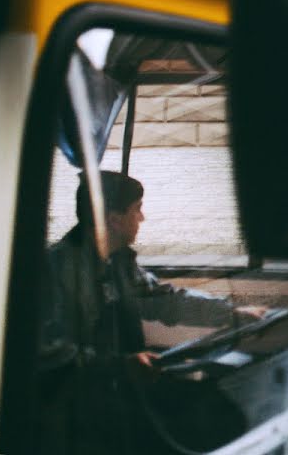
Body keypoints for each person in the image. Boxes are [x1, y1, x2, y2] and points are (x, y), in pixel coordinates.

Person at [39, 171, 260, 453]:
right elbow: (51, 355)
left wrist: (232, 314)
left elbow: (166, 300)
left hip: (115, 390)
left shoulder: (117, 263)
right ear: (114, 220)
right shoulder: (55, 269)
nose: (142, 218)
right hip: (76, 409)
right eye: (137, 210)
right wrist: (120, 366)